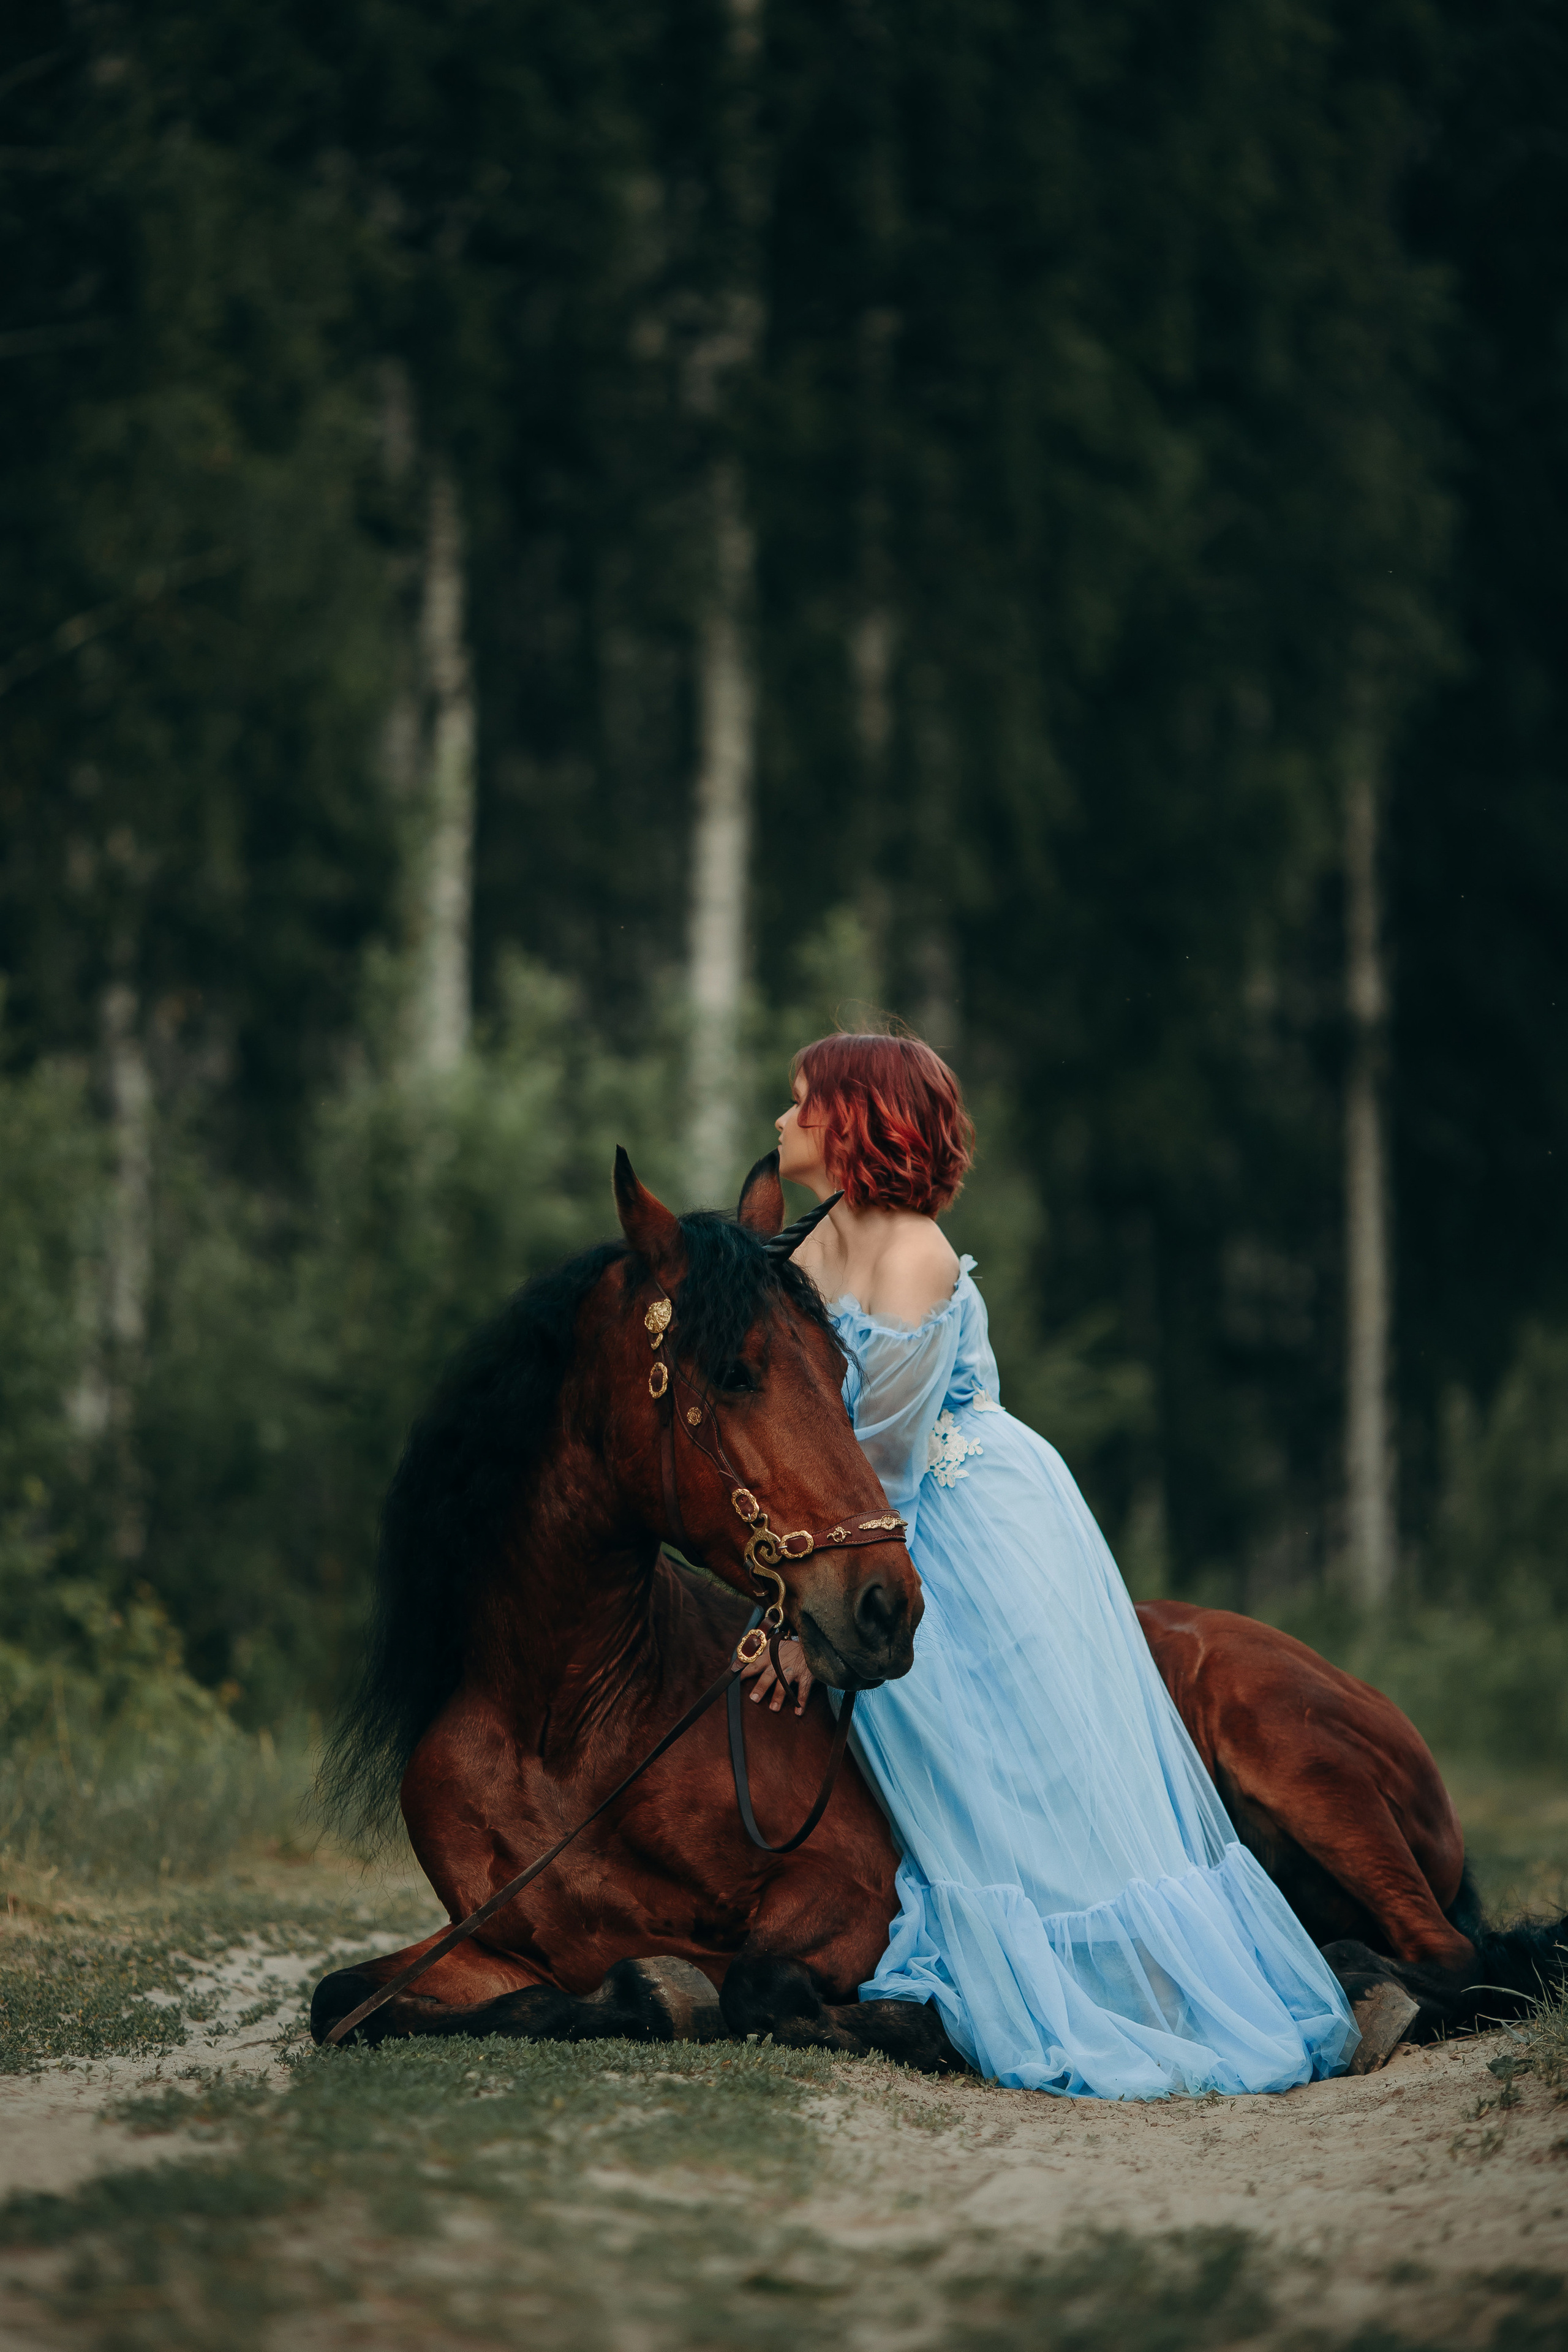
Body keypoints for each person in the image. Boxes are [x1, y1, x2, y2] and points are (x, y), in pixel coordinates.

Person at [739, 1029, 1359, 2097]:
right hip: (874, 1521)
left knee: (1017, 1765)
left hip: (966, 1517)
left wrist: (805, 1625)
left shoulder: (914, 1250)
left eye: (802, 1102)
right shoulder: (820, 1236)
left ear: (853, 1120)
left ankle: (1128, 1985)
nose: (782, 1120)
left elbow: (881, 1459)